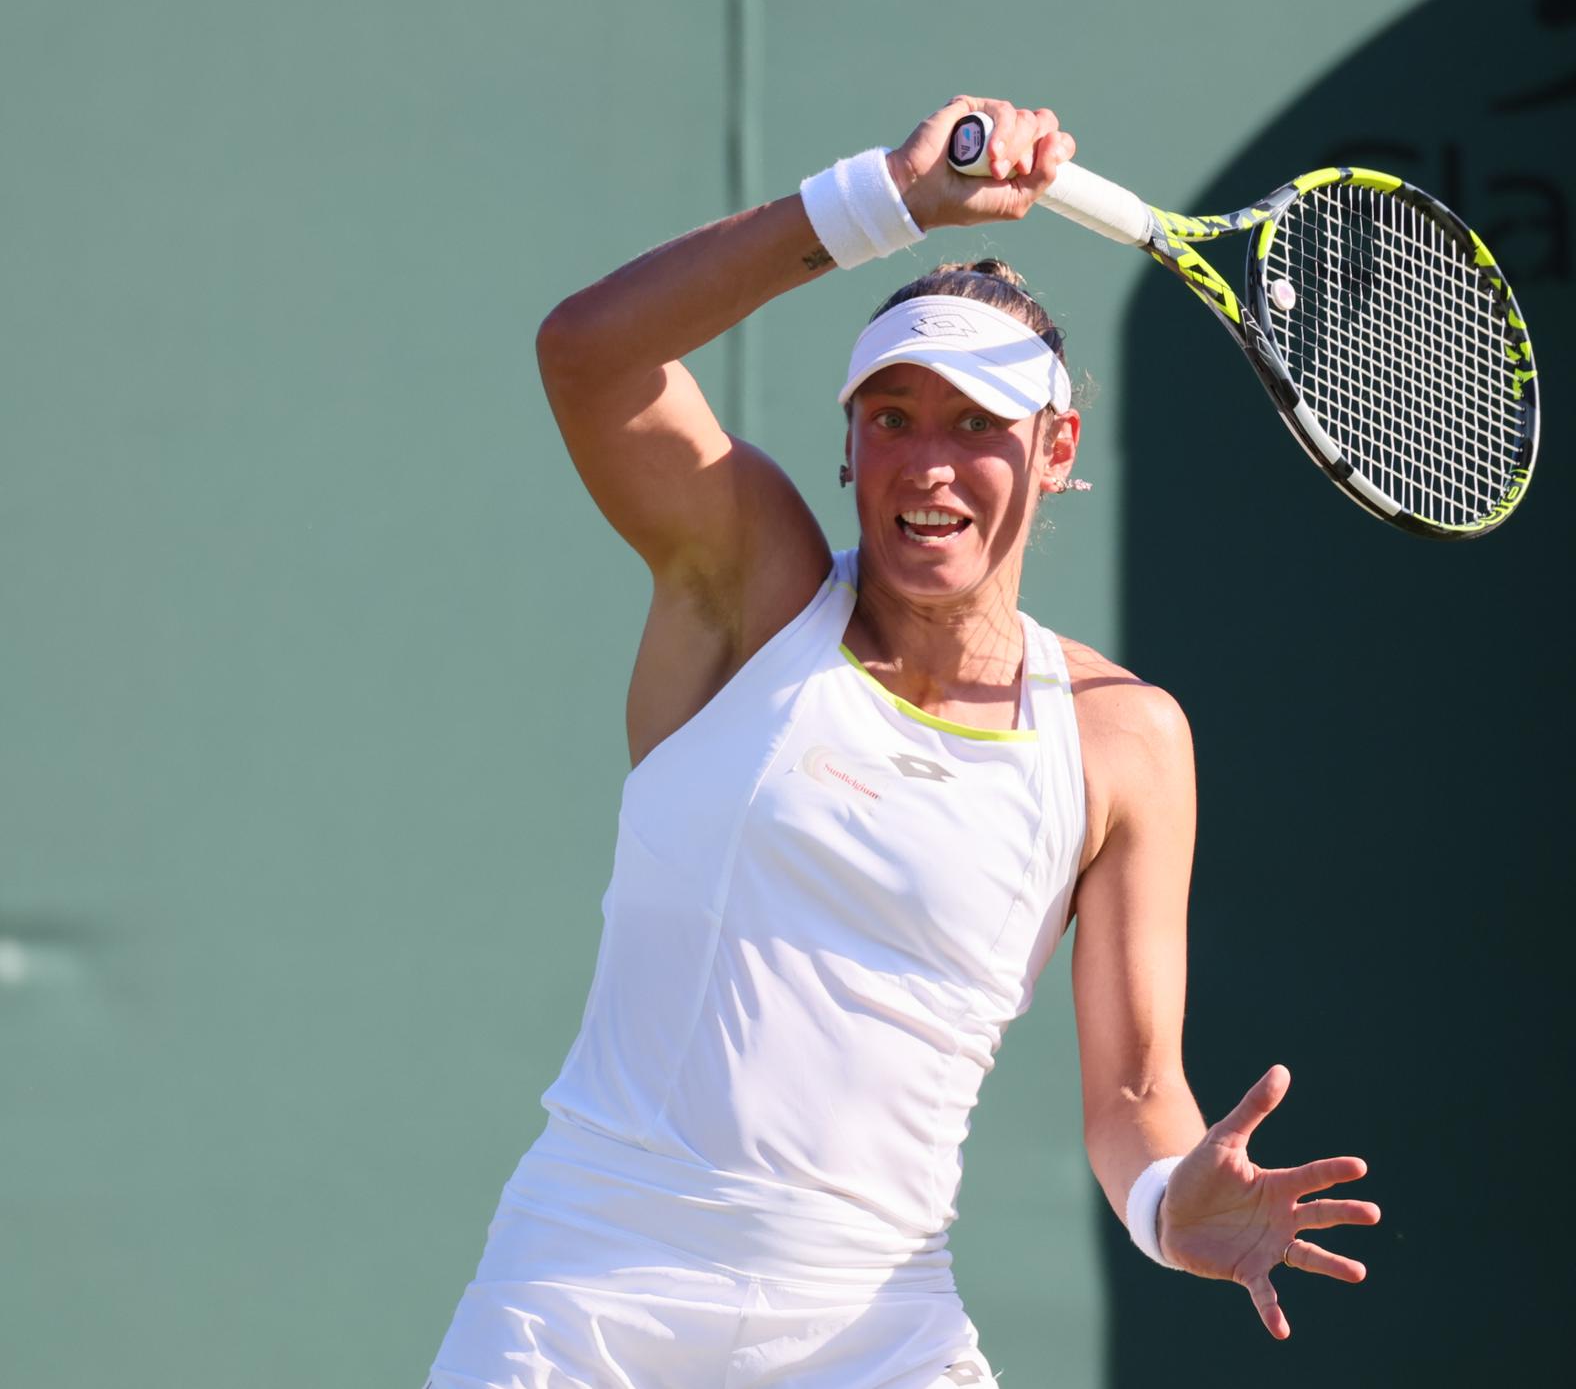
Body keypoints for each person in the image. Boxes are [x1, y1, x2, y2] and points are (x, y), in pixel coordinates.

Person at [427, 95, 1380, 1389]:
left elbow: (1137, 1089)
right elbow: (589, 354)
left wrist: (1169, 1204)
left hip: (873, 1334)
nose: (929, 465)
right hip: (585, 1296)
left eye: (977, 423)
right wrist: (886, 196)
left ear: (1056, 452)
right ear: (848, 442)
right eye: (893, 416)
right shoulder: (748, 592)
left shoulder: (1125, 741)